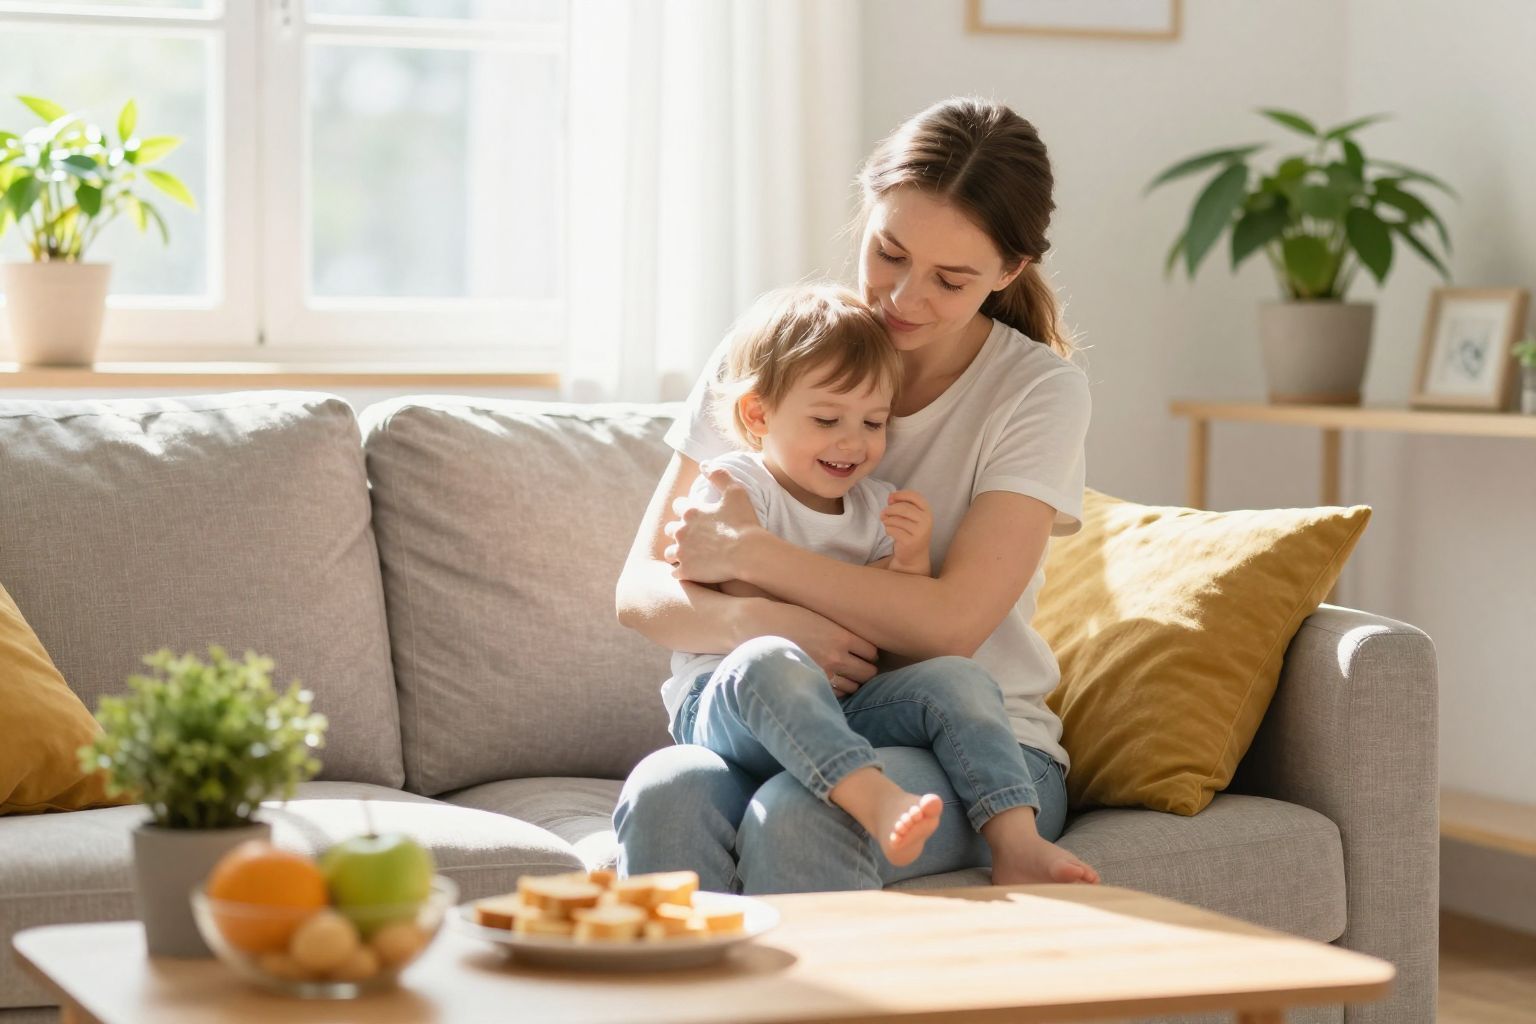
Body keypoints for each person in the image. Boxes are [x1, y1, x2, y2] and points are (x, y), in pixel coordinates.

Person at [614, 95, 1101, 894]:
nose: (905, 298)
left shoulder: (1037, 392)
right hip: (773, 713)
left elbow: (952, 623)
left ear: (1010, 271)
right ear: (864, 215)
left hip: (973, 746)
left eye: (950, 279)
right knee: (668, 791)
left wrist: (753, 556)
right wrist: (761, 622)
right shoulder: (773, 353)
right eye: (889, 253)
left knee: (803, 812)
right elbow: (641, 590)